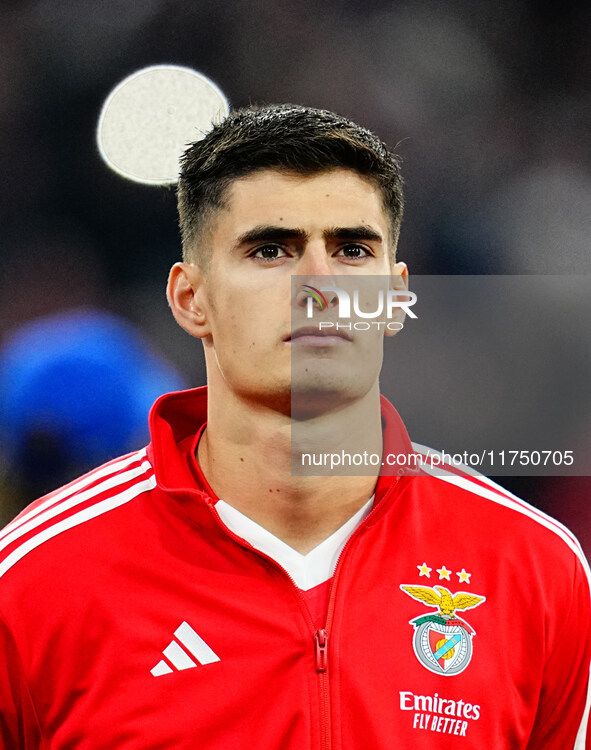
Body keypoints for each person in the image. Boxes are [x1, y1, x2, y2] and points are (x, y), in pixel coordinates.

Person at [0, 104, 589, 749]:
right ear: (190, 299)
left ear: (396, 299)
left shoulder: (535, 569)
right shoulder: (34, 581)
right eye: (271, 249)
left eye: (352, 249)